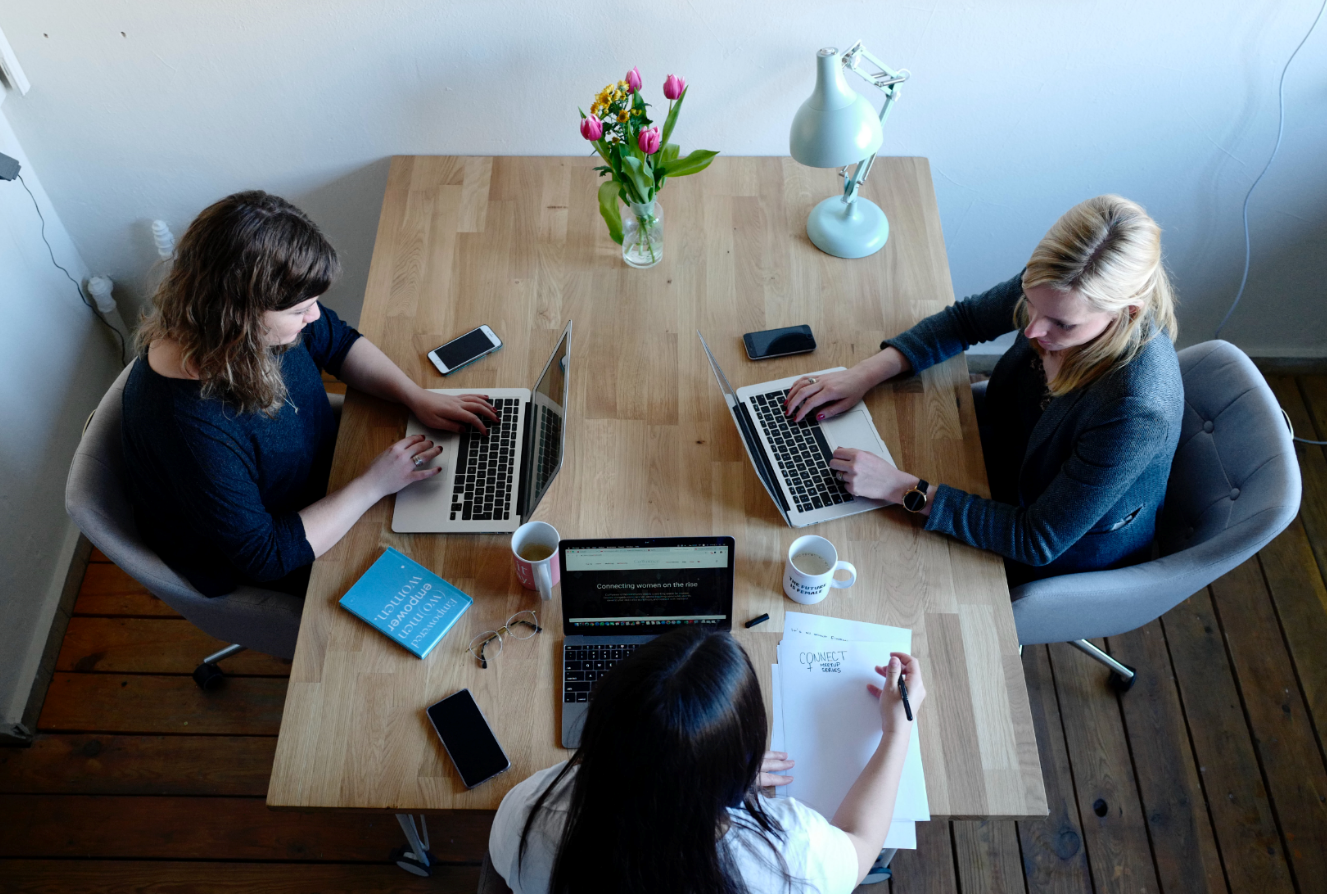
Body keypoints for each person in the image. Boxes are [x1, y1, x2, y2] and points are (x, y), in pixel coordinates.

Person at [785, 195, 1183, 582]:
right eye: (1030, 303)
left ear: (1127, 312)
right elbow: (966, 321)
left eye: (1061, 325)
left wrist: (899, 487)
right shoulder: (1057, 285)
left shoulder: (1135, 408)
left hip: (1052, 550)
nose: (1032, 330)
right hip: (1000, 457)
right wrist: (864, 374)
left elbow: (1036, 539)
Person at [122, 190, 498, 597]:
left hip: (331, 473)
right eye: (300, 310)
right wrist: (372, 485)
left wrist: (414, 395)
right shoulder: (187, 427)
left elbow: (337, 343)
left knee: (465, 520)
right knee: (458, 570)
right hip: (284, 544)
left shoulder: (245, 331)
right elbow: (264, 556)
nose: (314, 316)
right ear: (238, 314)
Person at [487, 627, 926, 893]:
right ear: (742, 767)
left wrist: (697, 768)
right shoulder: (790, 857)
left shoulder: (527, 815)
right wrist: (896, 730)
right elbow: (861, 845)